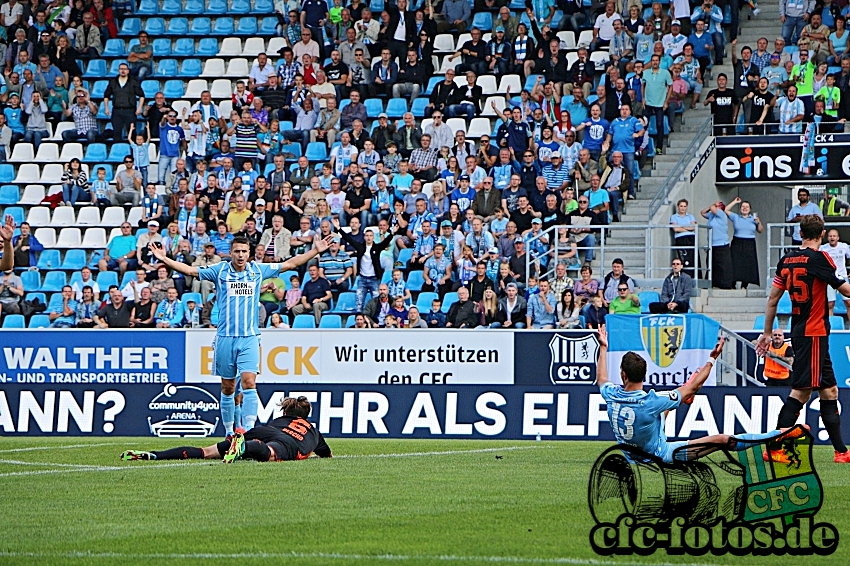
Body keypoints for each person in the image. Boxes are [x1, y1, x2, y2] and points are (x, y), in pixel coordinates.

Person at [148, 229, 332, 437]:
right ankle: (229, 432)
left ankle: (251, 433)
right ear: (231, 253)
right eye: (237, 251)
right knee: (228, 388)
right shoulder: (220, 270)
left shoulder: (258, 270)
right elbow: (190, 271)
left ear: (249, 253)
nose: (241, 255)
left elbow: (290, 264)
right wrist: (164, 258)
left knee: (249, 383)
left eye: (244, 251)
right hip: (225, 338)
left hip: (249, 338)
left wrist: (314, 251)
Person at [598, 326, 807, 462]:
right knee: (722, 440)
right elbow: (694, 388)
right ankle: (779, 434)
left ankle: (678, 401)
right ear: (644, 375)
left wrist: (603, 348)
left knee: (662, 410)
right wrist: (712, 359)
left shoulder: (611, 394)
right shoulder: (651, 401)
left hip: (630, 454)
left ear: (623, 375)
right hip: (661, 455)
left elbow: (602, 379)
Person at [758, 215, 850, 464]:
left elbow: (773, 300)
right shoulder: (820, 258)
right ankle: (774, 447)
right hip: (813, 332)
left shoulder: (786, 260)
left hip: (804, 332)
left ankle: (841, 452)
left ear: (800, 234)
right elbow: (844, 289)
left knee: (829, 390)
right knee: (801, 391)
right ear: (821, 235)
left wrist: (767, 334)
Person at [121, 396, 332, 463]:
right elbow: (326, 453)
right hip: (288, 442)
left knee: (206, 452)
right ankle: (245, 447)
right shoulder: (312, 430)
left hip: (263, 430)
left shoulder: (280, 419)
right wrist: (327, 454)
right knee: (269, 453)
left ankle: (156, 455)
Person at [727, 197, 763, 290]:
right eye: (743, 206)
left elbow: (760, 230)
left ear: (750, 209)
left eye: (747, 207)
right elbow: (726, 210)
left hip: (749, 242)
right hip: (737, 241)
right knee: (734, 262)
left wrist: (758, 223)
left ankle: (744, 284)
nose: (745, 208)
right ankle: (733, 282)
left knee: (747, 264)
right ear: (740, 208)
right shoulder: (736, 217)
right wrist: (735, 201)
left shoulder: (754, 218)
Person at [701, 200, 733, 289]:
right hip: (712, 245)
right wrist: (711, 206)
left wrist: (714, 205)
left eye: (718, 207)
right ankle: (711, 283)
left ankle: (725, 284)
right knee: (711, 264)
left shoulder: (722, 215)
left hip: (721, 244)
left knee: (722, 266)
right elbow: (703, 213)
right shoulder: (711, 216)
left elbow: (712, 208)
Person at [819, 228, 850, 316]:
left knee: (848, 303)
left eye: (834, 236)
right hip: (830, 278)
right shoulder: (823, 248)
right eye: (830, 236)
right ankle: (830, 328)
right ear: (827, 238)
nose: (832, 238)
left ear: (838, 238)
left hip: (842, 277)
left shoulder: (844, 246)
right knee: (830, 304)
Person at [669, 199, 696, 276]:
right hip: (680, 239)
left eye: (684, 206)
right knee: (684, 258)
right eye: (681, 206)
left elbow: (693, 227)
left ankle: (694, 276)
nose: (683, 208)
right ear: (678, 207)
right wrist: (688, 228)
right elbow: (676, 229)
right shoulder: (674, 217)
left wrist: (681, 226)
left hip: (691, 238)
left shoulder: (691, 216)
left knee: (693, 258)